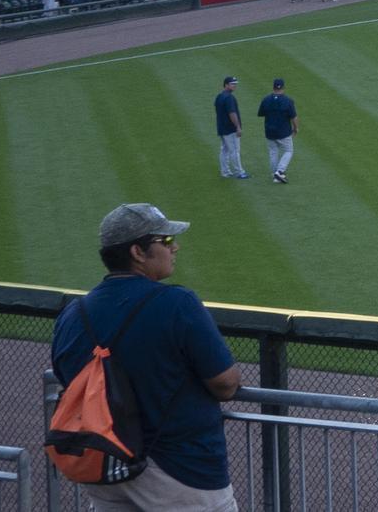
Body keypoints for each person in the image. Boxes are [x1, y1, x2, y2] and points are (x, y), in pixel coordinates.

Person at [50, 203, 240, 510]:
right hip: (181, 473)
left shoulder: (73, 314)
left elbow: (67, 377)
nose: (174, 247)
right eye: (164, 241)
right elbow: (225, 383)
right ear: (138, 252)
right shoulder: (178, 303)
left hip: (107, 468)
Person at [258, 79, 299, 184]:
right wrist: (295, 128)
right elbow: (294, 117)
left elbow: (261, 113)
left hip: (269, 132)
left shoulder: (266, 99)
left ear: (273, 88)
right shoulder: (288, 101)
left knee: (273, 152)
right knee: (288, 151)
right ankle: (280, 171)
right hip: (283, 132)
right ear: (283, 88)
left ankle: (275, 176)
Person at [213, 77, 247, 180]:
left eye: (235, 84)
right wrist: (237, 127)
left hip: (222, 128)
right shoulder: (229, 98)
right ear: (226, 85)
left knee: (224, 150)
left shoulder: (219, 96)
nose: (235, 86)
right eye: (232, 84)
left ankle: (225, 172)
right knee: (234, 151)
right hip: (230, 129)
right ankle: (239, 172)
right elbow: (232, 113)